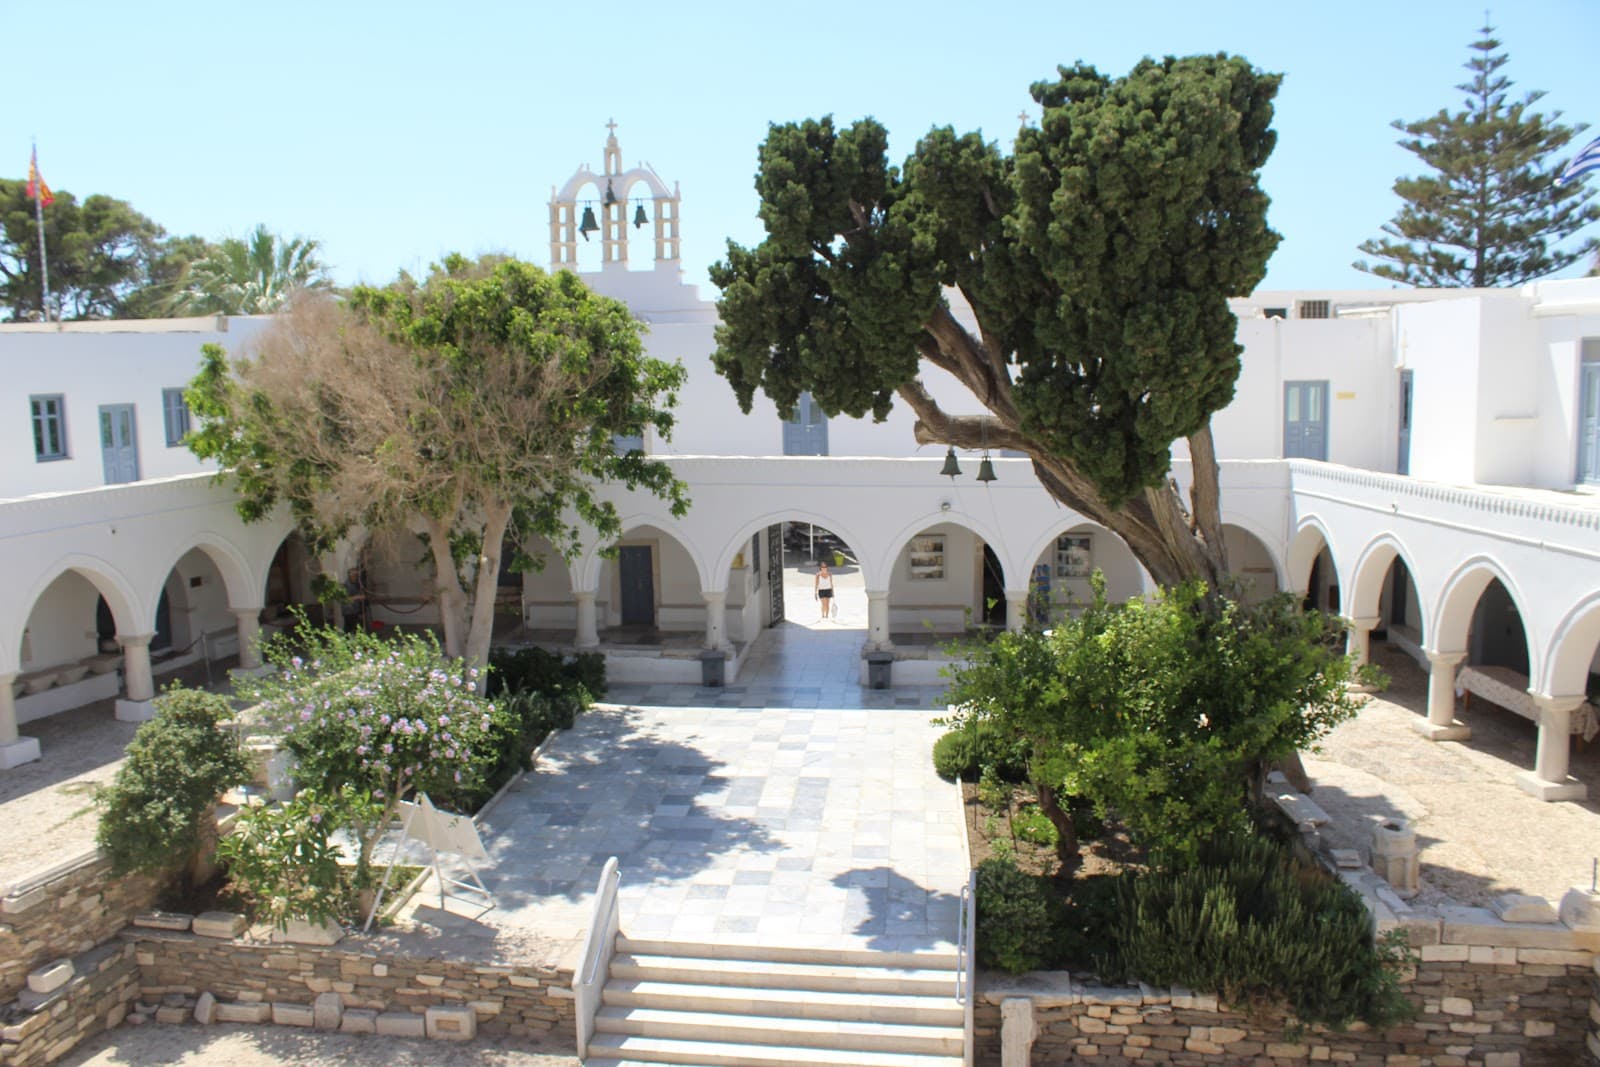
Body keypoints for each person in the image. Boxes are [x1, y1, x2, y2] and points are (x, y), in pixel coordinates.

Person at [342, 567, 367, 633]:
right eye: (355, 575)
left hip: (355, 610)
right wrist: (359, 597)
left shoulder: (355, 584)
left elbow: (356, 594)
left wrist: (361, 596)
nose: (356, 577)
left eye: (357, 575)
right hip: (349, 611)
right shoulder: (346, 585)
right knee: (349, 629)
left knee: (356, 628)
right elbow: (346, 599)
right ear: (350, 575)